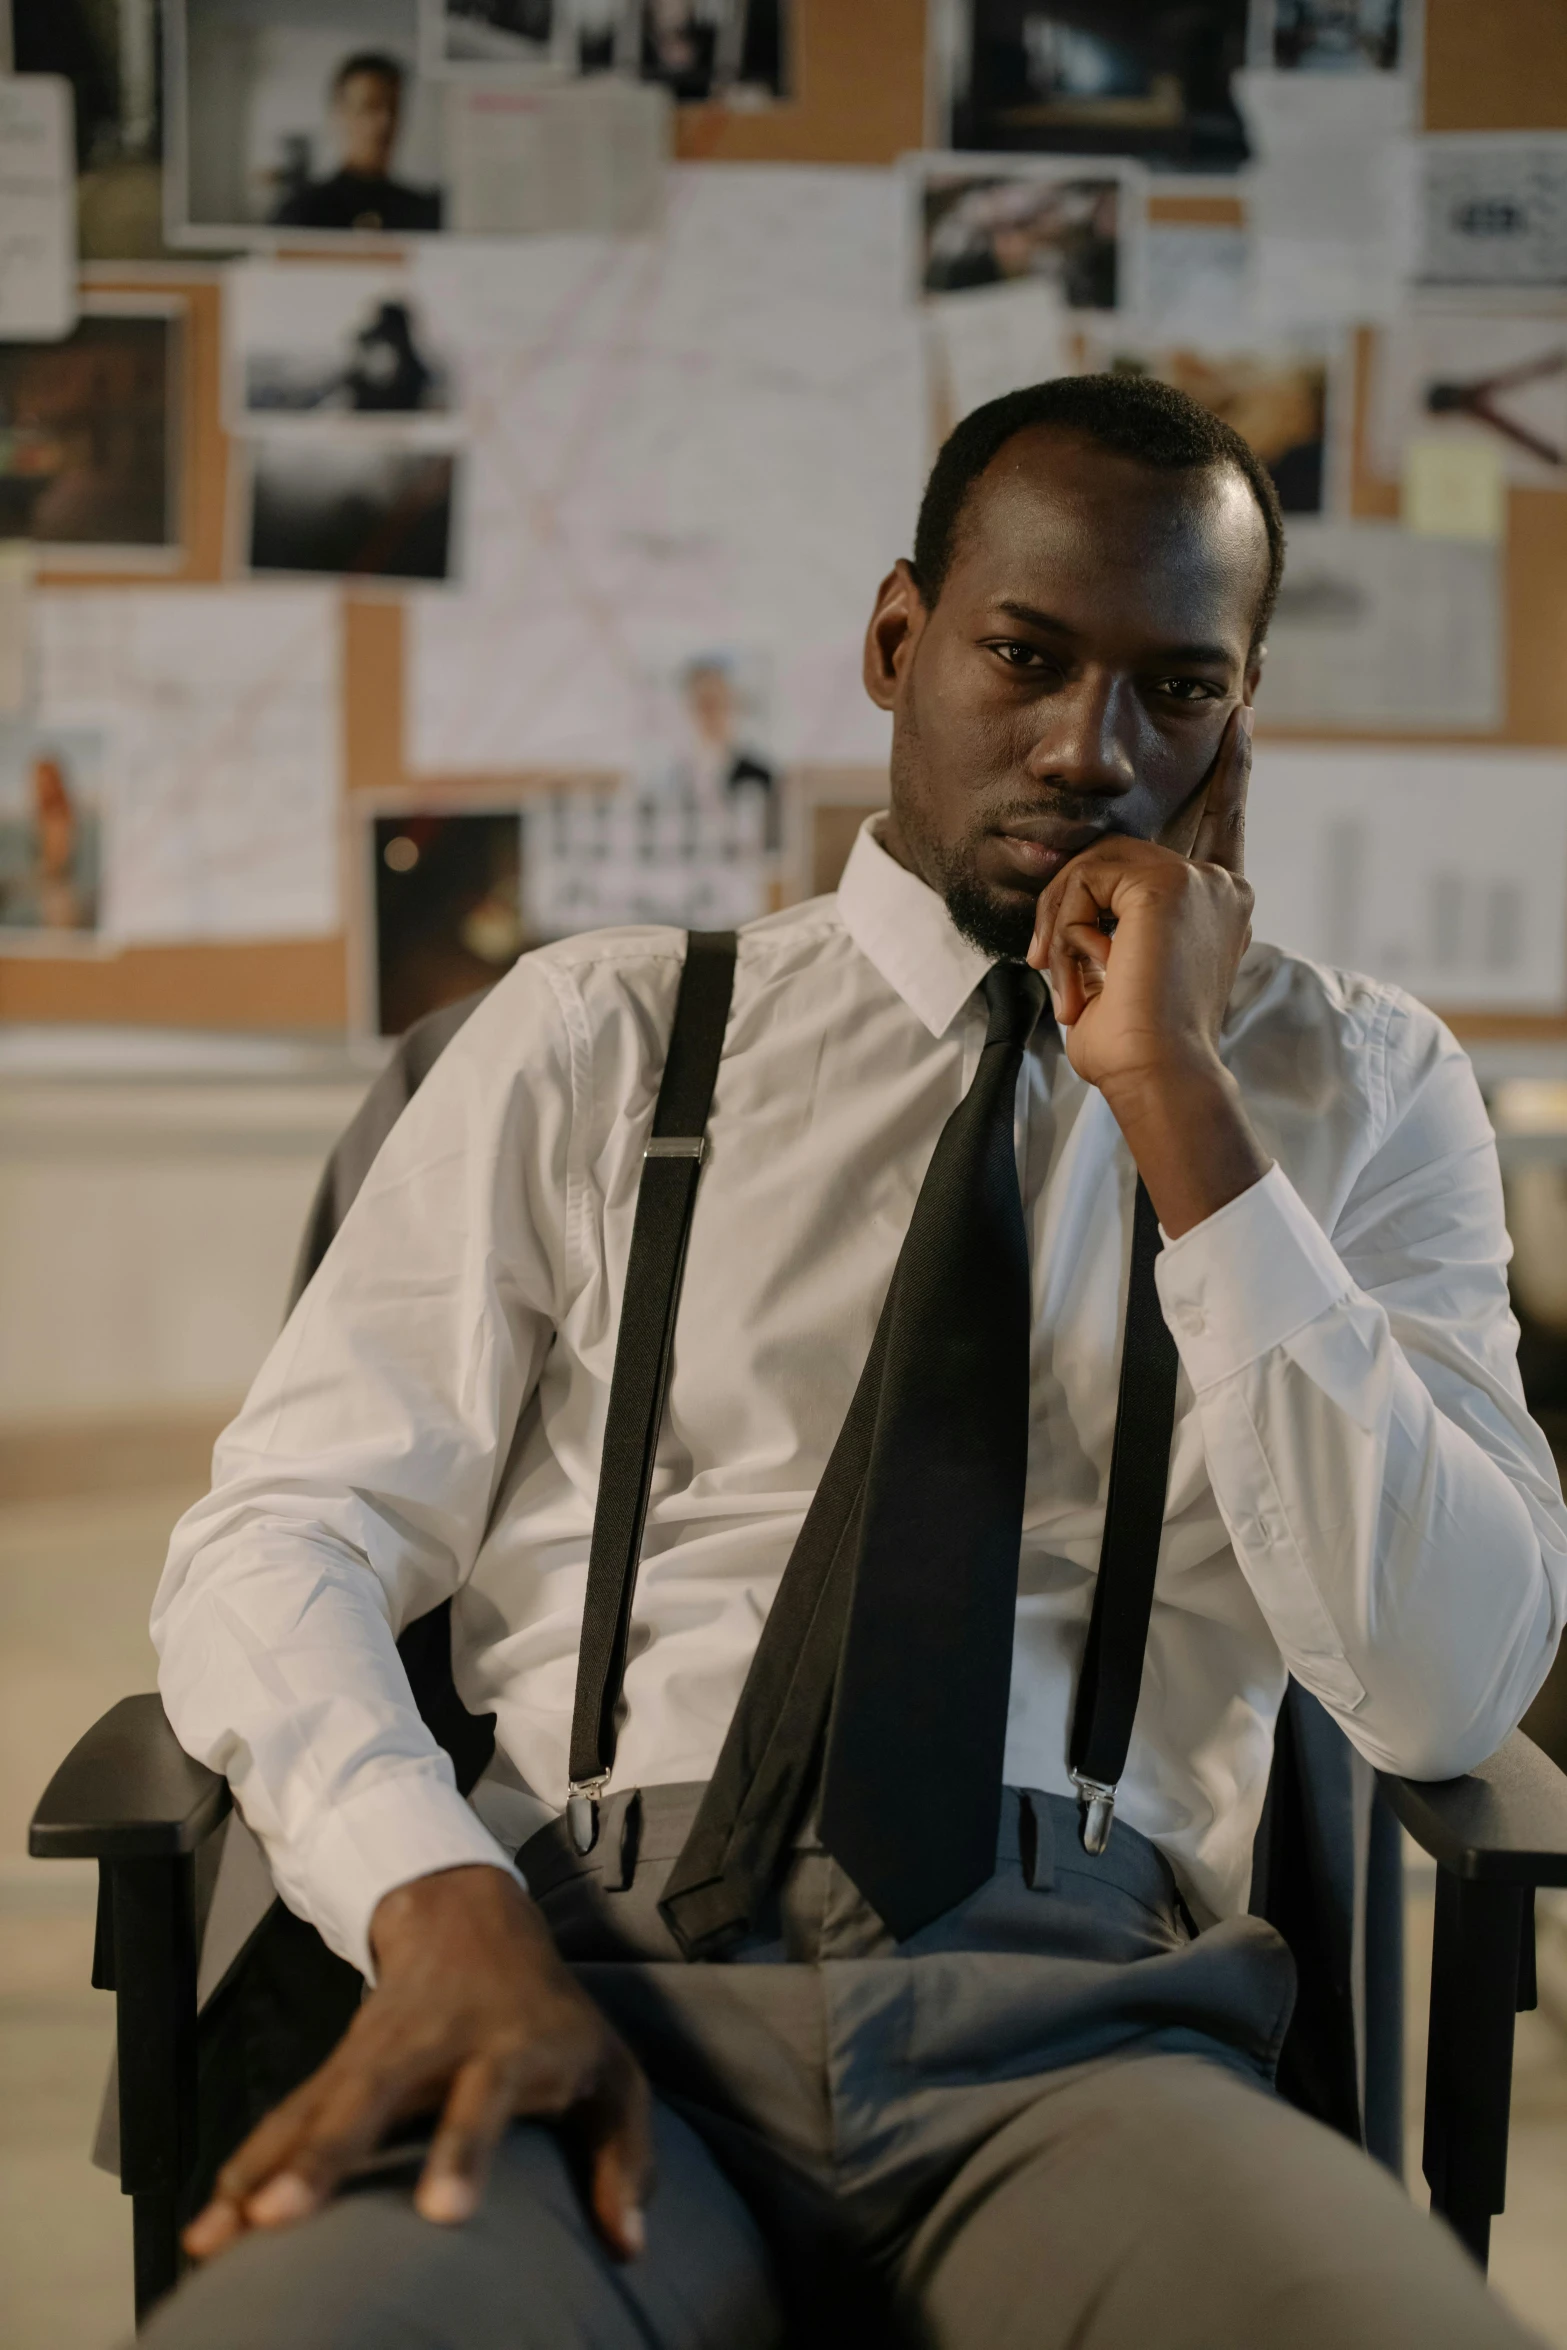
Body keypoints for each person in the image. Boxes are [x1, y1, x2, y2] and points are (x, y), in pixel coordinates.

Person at [140, 376, 1565, 2349]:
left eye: (1179, 690)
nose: (1094, 748)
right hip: (584, 1975)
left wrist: (1179, 1104)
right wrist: (428, 1893)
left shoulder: (1356, 1090)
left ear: (1240, 716)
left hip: (1089, 2028)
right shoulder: (598, 1040)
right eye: (1027, 656)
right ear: (898, 640)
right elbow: (274, 1541)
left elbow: (1446, 1682)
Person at [271, 53, 441, 235]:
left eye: (392, 107)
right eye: (369, 107)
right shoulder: (302, 213)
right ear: (339, 113)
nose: (384, 121)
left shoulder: (423, 212)